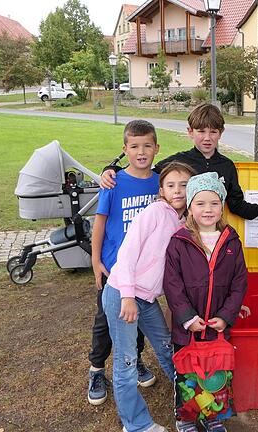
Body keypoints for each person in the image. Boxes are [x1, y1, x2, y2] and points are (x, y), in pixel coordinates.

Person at [103, 161, 197, 432]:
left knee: (168, 346)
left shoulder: (183, 222)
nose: (178, 191)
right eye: (171, 185)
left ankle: (190, 399)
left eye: (184, 185)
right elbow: (128, 253)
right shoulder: (155, 212)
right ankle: (136, 425)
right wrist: (127, 297)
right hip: (123, 294)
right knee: (127, 360)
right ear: (162, 190)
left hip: (147, 299)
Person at [163, 172, 248, 432]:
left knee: (216, 376)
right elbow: (172, 284)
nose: (208, 209)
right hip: (187, 328)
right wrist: (187, 318)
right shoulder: (179, 242)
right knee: (188, 376)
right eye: (200, 203)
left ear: (222, 205)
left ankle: (212, 417)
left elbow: (239, 282)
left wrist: (226, 315)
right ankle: (186, 418)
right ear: (190, 207)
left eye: (214, 203)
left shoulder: (231, 241)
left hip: (217, 326)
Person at [99, 103, 258, 220]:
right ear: (190, 132)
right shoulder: (179, 161)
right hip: (182, 232)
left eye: (213, 132)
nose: (207, 138)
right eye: (201, 131)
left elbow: (236, 205)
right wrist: (111, 168)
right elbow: (144, 170)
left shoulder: (227, 166)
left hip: (213, 232)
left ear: (221, 133)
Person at [88, 120, 160, 406]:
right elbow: (100, 223)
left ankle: (136, 360)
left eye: (147, 146)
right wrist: (95, 260)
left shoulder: (160, 182)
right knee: (105, 320)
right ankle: (96, 370)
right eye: (134, 146)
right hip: (113, 268)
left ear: (156, 148)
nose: (141, 152)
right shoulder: (113, 182)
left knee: (137, 318)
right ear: (125, 149)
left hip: (142, 272)